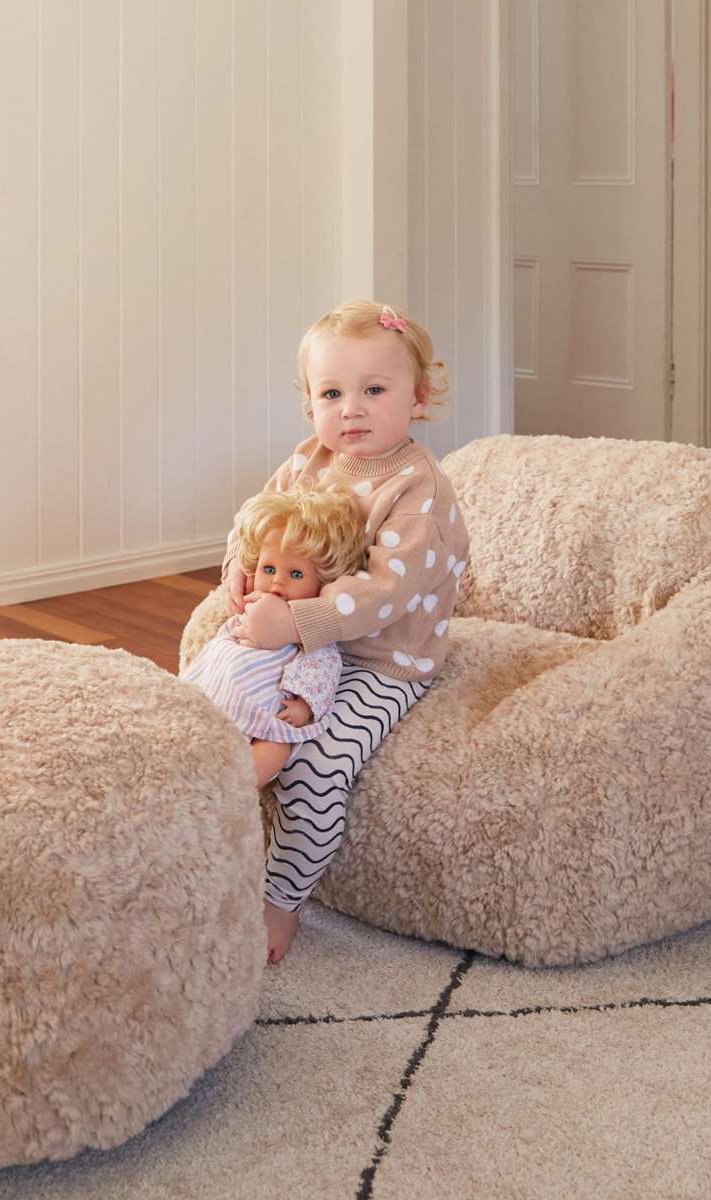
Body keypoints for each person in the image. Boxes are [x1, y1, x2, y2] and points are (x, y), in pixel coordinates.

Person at [222, 300, 470, 966]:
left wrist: (293, 621)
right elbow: (256, 526)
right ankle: (212, 854)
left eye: (374, 391)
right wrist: (239, 574)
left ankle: (281, 900)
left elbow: (384, 593)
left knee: (316, 764)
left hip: (381, 659)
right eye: (332, 394)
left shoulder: (419, 492)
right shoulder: (309, 462)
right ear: (309, 403)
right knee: (215, 720)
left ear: (418, 398)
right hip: (301, 642)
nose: (351, 410)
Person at [180, 483, 367, 791]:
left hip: (264, 712)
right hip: (219, 695)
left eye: (296, 574)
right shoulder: (248, 609)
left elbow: (323, 674)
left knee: (277, 746)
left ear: (322, 582)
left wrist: (304, 708)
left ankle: (235, 788)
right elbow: (219, 648)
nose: (277, 582)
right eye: (268, 569)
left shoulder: (309, 634)